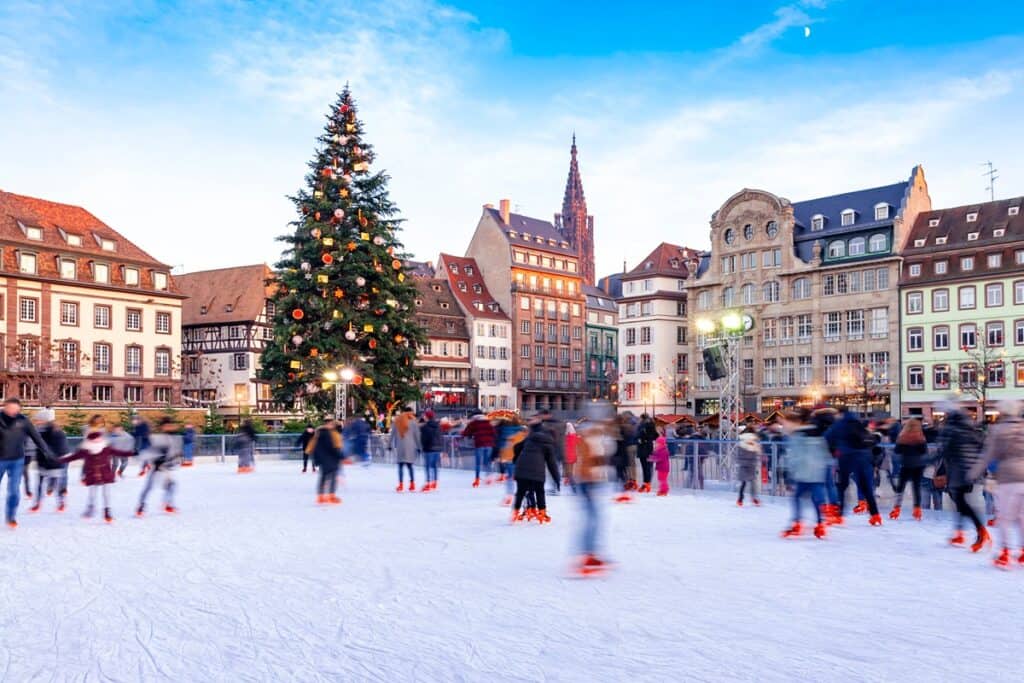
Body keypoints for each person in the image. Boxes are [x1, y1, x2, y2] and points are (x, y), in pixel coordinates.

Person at [970, 399, 1024, 568]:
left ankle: (1005, 553)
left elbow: (988, 454)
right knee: (1023, 516)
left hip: (1007, 477)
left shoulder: (998, 429)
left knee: (1004, 518)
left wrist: (974, 472)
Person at [935, 399, 989, 552]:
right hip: (969, 470)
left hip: (958, 470)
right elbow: (980, 445)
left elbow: (943, 450)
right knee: (960, 502)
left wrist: (925, 460)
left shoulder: (951, 428)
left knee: (962, 503)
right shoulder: (968, 426)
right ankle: (961, 532)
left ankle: (980, 531)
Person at [572, 401, 616, 575]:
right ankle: (586, 554)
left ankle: (589, 552)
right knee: (593, 519)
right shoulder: (593, 433)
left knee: (594, 518)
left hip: (590, 479)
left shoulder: (595, 432)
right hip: (587, 480)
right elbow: (592, 457)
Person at [61, 415, 131, 522]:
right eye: (98, 421)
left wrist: (130, 452)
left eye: (101, 421)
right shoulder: (88, 430)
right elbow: (78, 451)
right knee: (93, 491)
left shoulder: (103, 434)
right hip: (92, 463)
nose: (99, 423)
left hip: (104, 467)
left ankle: (106, 511)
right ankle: (91, 507)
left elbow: (113, 448)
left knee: (105, 491)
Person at [0, 397, 55, 528]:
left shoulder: (24, 421)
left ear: (19, 409)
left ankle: (11, 516)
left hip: (17, 460)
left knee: (14, 490)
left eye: (16, 409)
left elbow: (37, 437)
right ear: (5, 407)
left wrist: (47, 452)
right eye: (10, 408)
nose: (13, 411)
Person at [825, 406, 882, 526]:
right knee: (866, 487)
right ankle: (875, 515)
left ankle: (839, 515)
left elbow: (827, 438)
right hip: (863, 457)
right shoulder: (857, 422)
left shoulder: (838, 424)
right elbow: (869, 438)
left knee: (842, 486)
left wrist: (834, 450)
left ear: (840, 414)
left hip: (846, 457)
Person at [779, 408, 830, 539]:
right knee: (816, 499)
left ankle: (797, 523)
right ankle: (820, 524)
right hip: (817, 472)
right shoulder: (819, 432)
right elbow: (825, 451)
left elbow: (794, 454)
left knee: (796, 497)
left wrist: (789, 470)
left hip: (803, 472)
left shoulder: (798, 434)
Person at [511, 416, 560, 524]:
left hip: (521, 469)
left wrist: (516, 459)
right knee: (539, 491)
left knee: (521, 492)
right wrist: (556, 479)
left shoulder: (530, 437)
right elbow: (551, 464)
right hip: (537, 471)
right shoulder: (549, 444)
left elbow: (516, 447)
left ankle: (515, 513)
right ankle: (541, 513)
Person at [136, 417, 184, 516]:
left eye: (171, 425)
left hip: (167, 469)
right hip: (157, 469)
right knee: (149, 488)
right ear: (163, 427)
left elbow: (176, 453)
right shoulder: (158, 438)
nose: (170, 427)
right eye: (167, 426)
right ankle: (141, 506)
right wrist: (153, 459)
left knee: (172, 486)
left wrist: (177, 460)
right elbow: (148, 451)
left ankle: (167, 504)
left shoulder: (175, 438)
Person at [28, 409, 70, 513]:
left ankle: (61, 502)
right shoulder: (38, 431)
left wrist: (54, 459)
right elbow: (37, 447)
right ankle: (37, 503)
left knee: (56, 484)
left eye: (39, 420)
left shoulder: (57, 432)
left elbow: (61, 449)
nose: (37, 422)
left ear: (45, 420)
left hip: (55, 463)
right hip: (43, 462)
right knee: (39, 484)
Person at [889, 419, 930, 521]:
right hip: (919, 465)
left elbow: (897, 450)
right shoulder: (920, 437)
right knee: (916, 487)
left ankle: (896, 508)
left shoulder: (903, 437)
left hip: (906, 464)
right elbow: (924, 451)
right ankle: (917, 509)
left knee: (900, 487)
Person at [307, 417, 343, 505]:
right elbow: (332, 446)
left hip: (324, 458)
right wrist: (340, 456)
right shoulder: (328, 433)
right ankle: (330, 496)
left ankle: (321, 497)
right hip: (329, 458)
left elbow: (313, 445)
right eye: (331, 423)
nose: (332, 425)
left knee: (324, 476)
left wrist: (315, 457)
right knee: (332, 476)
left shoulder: (320, 433)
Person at [496, 418, 527, 506]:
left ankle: (509, 496)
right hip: (521, 460)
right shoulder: (523, 434)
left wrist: (502, 458)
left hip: (510, 459)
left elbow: (506, 447)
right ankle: (523, 496)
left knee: (510, 478)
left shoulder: (506, 432)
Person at [461, 411, 496, 487]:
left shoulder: (474, 423)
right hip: (489, 444)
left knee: (478, 463)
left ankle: (477, 479)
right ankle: (489, 477)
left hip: (479, 444)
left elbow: (466, 433)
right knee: (487, 462)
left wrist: (464, 433)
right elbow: (494, 432)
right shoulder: (488, 422)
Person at [391, 407, 421, 492]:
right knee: (410, 466)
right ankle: (412, 485)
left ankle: (400, 485)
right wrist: (419, 447)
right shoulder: (413, 422)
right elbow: (417, 436)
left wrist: (389, 445)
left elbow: (392, 434)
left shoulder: (397, 421)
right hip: (411, 447)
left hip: (400, 447)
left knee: (400, 466)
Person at [736, 431, 762, 507]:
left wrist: (756, 462)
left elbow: (757, 455)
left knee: (752, 483)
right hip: (744, 466)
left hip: (751, 466)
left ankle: (754, 498)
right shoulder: (741, 446)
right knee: (744, 483)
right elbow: (739, 457)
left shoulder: (755, 446)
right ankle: (740, 499)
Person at [419, 410, 443, 492]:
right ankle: (435, 482)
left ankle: (428, 483)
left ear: (427, 417)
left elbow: (424, 439)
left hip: (429, 449)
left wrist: (422, 447)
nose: (424, 417)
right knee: (435, 466)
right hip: (437, 449)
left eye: (425, 416)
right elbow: (440, 437)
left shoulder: (425, 427)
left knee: (428, 467)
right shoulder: (438, 426)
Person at [636, 414, 658, 494]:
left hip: (643, 448)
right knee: (648, 467)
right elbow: (656, 436)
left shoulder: (642, 426)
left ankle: (646, 483)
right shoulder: (652, 426)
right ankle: (647, 483)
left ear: (642, 418)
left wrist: (642, 439)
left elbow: (637, 436)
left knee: (645, 467)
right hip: (650, 448)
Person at [649, 427, 671, 497]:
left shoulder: (663, 450)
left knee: (662, 479)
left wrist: (652, 459)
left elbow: (659, 458)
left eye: (657, 444)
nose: (656, 445)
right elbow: (656, 455)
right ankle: (662, 489)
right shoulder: (660, 450)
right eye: (656, 443)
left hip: (664, 468)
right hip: (661, 467)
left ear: (661, 444)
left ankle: (664, 490)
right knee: (660, 479)